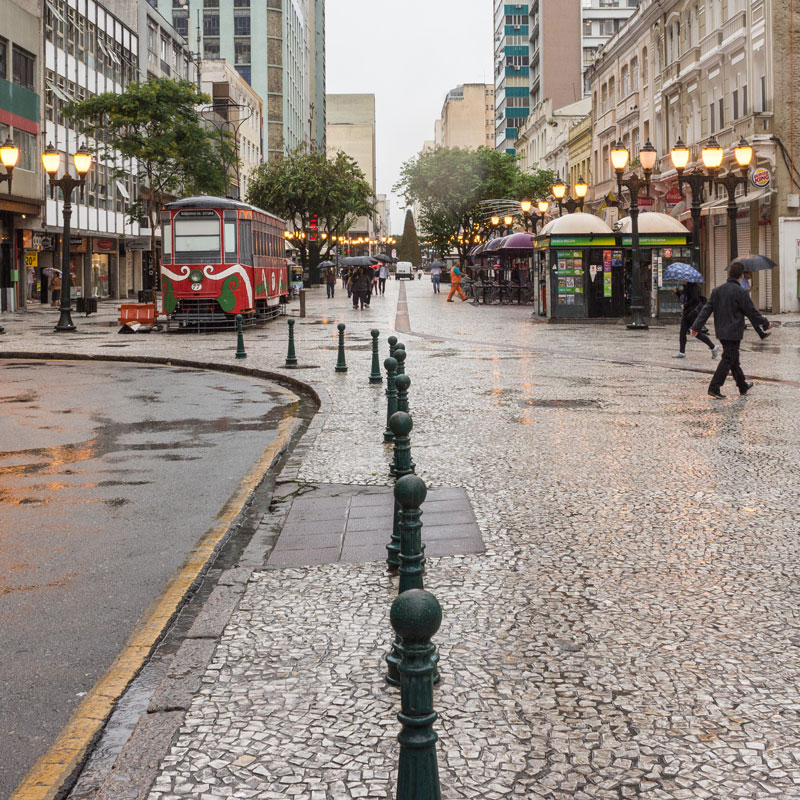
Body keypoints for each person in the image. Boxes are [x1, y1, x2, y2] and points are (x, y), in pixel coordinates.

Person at [691, 260, 773, 399]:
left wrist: (696, 327)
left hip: (721, 331)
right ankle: (714, 387)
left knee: (733, 359)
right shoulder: (740, 292)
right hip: (734, 332)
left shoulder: (717, 291)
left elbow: (706, 309)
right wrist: (765, 322)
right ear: (741, 275)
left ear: (729, 274)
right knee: (728, 359)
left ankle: (742, 386)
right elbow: (751, 311)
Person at [673, 281, 719, 360]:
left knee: (696, 333)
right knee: (682, 332)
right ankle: (682, 352)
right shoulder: (686, 287)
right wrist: (677, 293)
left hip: (692, 314)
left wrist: (685, 305)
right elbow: (683, 300)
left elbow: (695, 299)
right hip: (686, 313)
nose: (681, 281)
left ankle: (713, 347)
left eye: (683, 279)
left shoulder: (694, 287)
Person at [739, 270, 770, 340]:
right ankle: (765, 324)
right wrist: (751, 289)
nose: (751, 275)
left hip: (746, 302)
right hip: (744, 303)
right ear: (745, 274)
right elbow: (742, 290)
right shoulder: (742, 281)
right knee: (753, 317)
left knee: (752, 318)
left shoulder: (745, 281)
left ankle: (761, 333)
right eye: (750, 274)